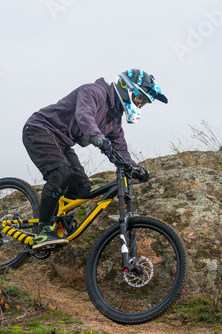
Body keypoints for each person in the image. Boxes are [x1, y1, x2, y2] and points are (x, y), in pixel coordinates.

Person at [22, 69, 168, 251]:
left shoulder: (114, 120)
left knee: (82, 188)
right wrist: (98, 138)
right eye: (140, 99)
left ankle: (56, 223)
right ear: (127, 87)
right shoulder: (94, 92)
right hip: (40, 129)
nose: (139, 104)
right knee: (62, 173)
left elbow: (121, 149)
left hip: (62, 143)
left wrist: (135, 168)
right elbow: (85, 116)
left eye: (143, 103)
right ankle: (42, 229)